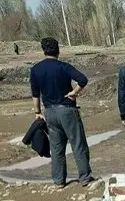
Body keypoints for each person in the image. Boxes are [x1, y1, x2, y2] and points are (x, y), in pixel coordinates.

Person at [30, 37, 93, 187]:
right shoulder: (64, 67)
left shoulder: (36, 69)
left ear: (44, 50)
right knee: (78, 144)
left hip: (50, 112)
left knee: (57, 148)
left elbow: (35, 94)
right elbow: (83, 80)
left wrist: (37, 112)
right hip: (67, 109)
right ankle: (85, 178)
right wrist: (74, 92)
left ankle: (59, 181)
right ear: (58, 50)